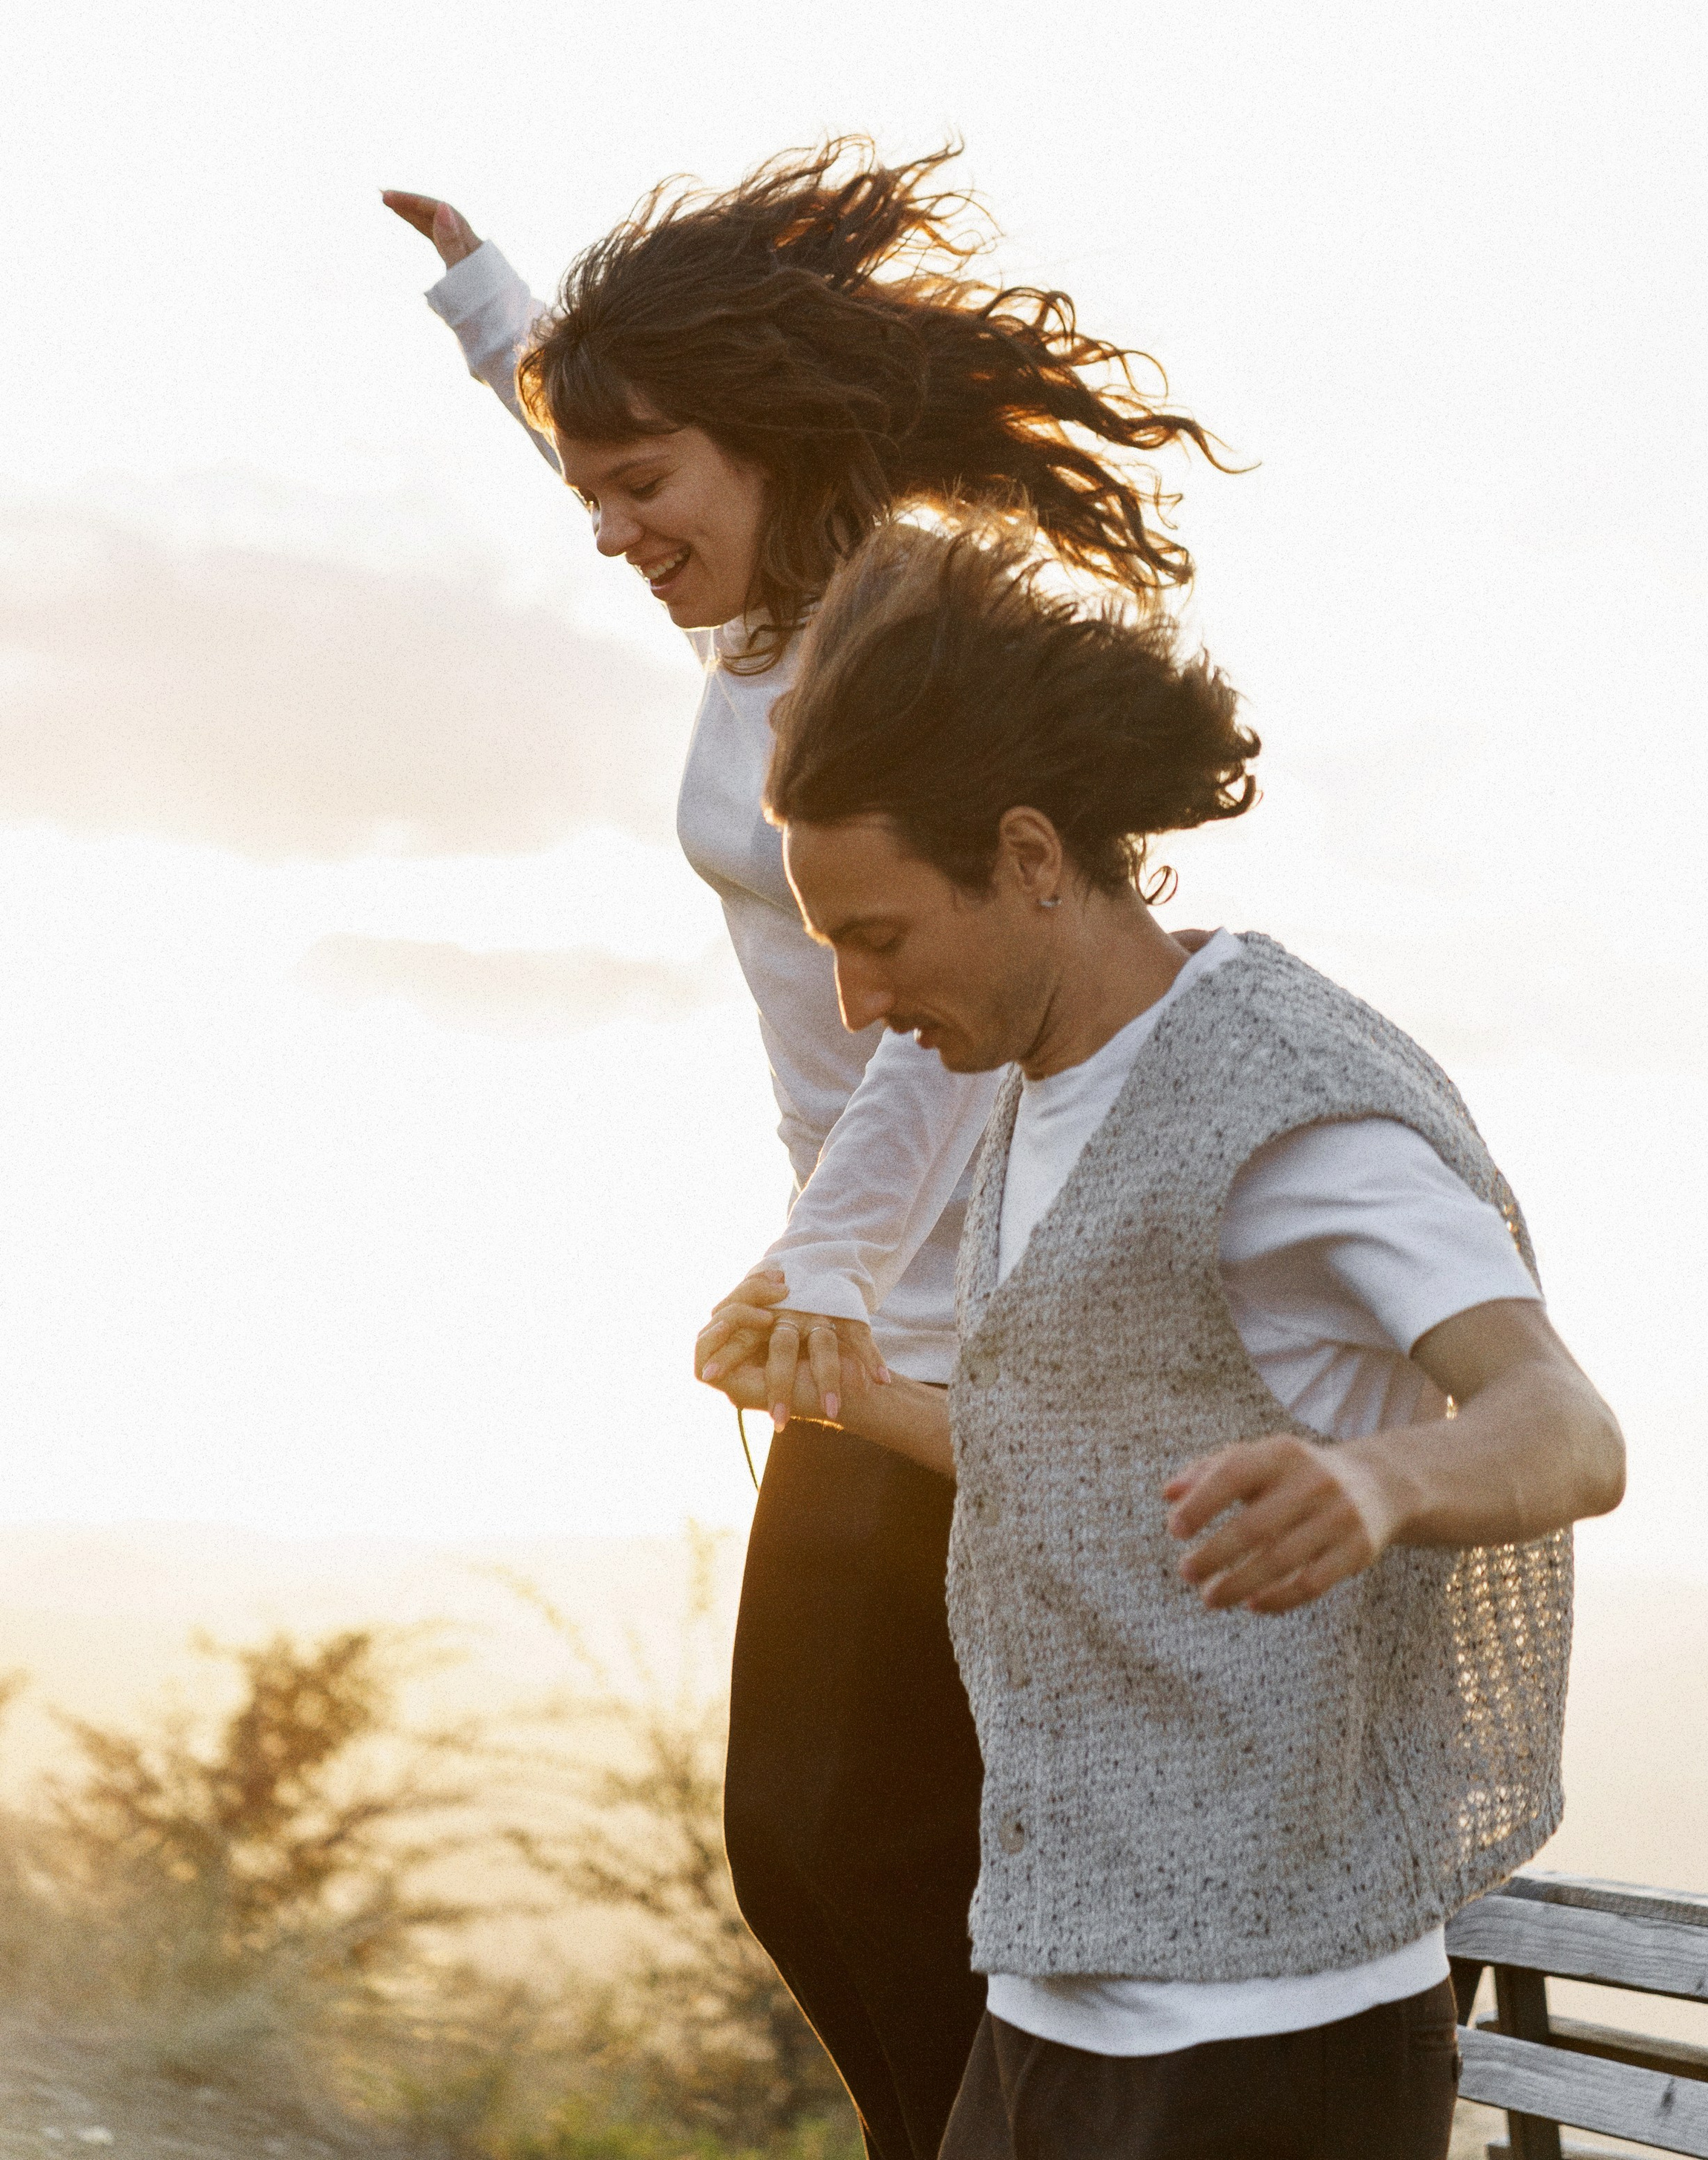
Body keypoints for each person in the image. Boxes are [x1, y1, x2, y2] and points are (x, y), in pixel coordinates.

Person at [383, 146, 1224, 2160]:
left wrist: (819, 1271)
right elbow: (611, 441)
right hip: (858, 1320)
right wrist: (497, 310)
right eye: (589, 488)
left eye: (641, 486)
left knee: (873, 1845)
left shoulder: (897, 640)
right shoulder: (761, 617)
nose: (608, 531)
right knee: (811, 1855)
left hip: (969, 1324)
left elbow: (943, 1044)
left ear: (758, 446)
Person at [704, 514, 1625, 2160]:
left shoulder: (1288, 1112)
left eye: (878, 937)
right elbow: (1072, 1462)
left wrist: (1380, 1487)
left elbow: (1564, 1426)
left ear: (1031, 857)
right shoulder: (1037, 1083)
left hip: (1273, 2037)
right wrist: (846, 1396)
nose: (852, 1003)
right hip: (1054, 1986)